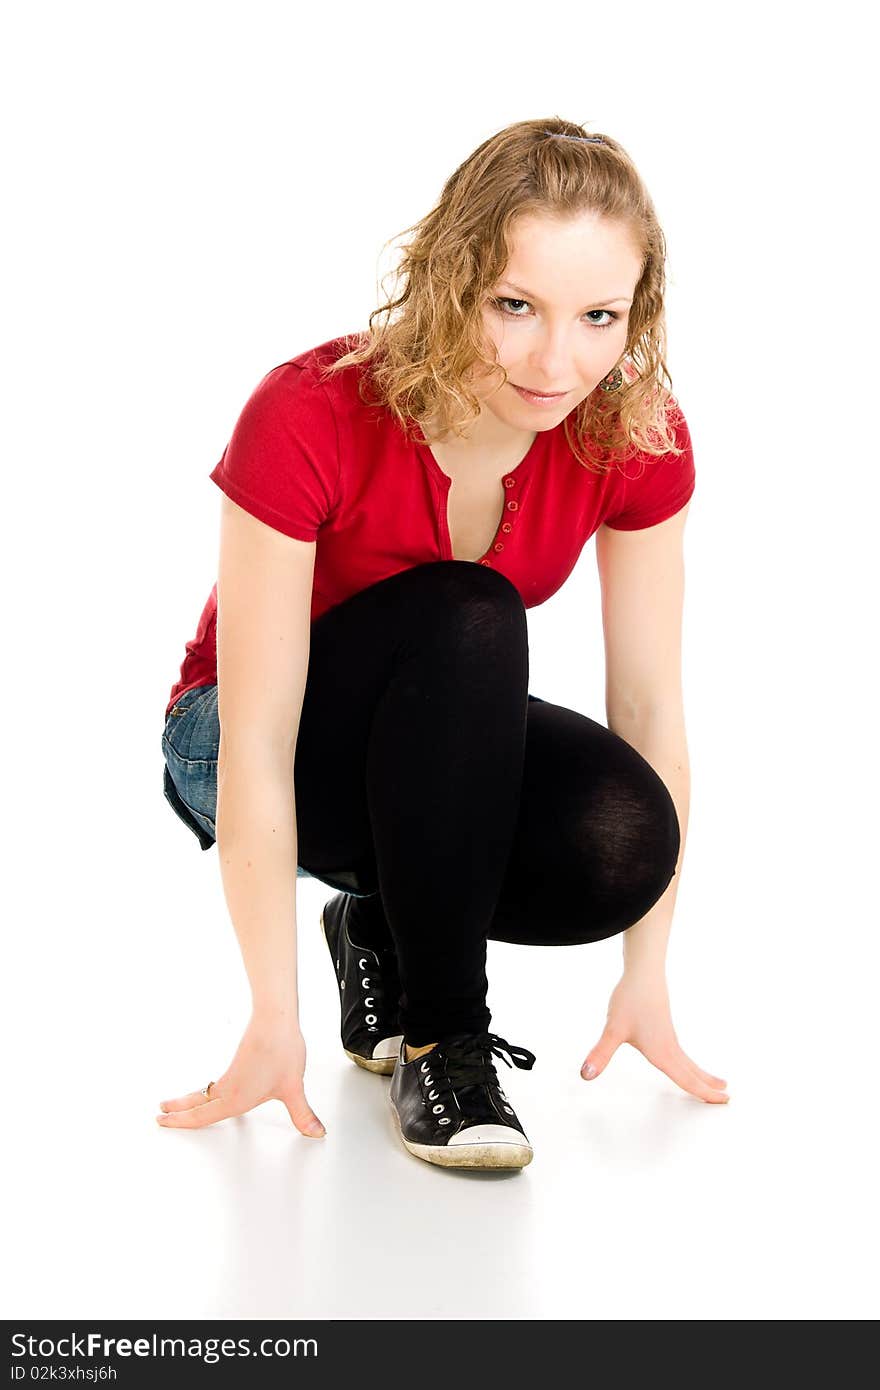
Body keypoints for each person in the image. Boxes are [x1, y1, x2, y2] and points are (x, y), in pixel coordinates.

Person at [156, 116, 729, 1173]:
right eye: (515, 305)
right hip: (232, 738)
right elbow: (259, 725)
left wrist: (644, 976)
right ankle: (445, 1038)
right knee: (470, 610)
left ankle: (377, 923)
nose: (557, 360)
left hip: (426, 746)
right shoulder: (309, 412)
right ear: (450, 275)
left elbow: (649, 708)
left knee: (621, 840)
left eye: (599, 316)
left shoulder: (631, 430)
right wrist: (268, 1015)